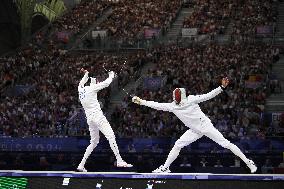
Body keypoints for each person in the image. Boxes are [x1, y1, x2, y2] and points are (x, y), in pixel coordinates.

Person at [132, 77, 257, 173]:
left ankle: (248, 162)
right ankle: (165, 168)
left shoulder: (180, 103)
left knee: (226, 144)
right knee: (178, 144)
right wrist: (141, 101)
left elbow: (208, 96)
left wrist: (141, 101)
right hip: (194, 130)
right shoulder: (181, 102)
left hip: (205, 126)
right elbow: (157, 105)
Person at [77, 68, 132, 172]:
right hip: (98, 117)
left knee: (93, 142)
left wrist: (86, 74)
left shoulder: (80, 89)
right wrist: (111, 75)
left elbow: (83, 80)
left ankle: (81, 164)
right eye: (95, 82)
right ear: (92, 83)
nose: (97, 82)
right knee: (110, 135)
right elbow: (106, 83)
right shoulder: (91, 88)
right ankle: (119, 160)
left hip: (90, 119)